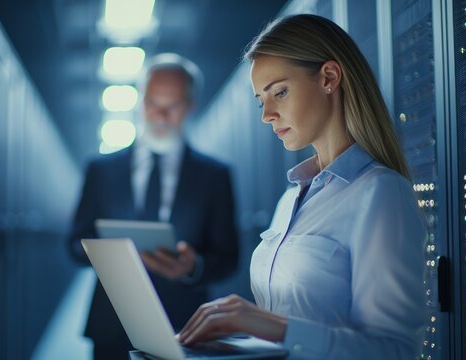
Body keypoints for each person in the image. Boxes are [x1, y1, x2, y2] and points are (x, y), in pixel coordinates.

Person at [177, 14, 426, 359]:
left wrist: (269, 325)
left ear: (329, 77)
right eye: (261, 100)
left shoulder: (381, 194)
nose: (267, 114)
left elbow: (394, 351)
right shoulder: (289, 200)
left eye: (279, 91)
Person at [70, 53, 239, 359]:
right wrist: (107, 253)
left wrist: (193, 267)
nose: (160, 116)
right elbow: (73, 243)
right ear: (141, 102)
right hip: (112, 322)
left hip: (186, 323)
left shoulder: (215, 175)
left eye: (171, 106)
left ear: (190, 107)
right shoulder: (100, 170)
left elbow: (229, 256)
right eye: (152, 104)